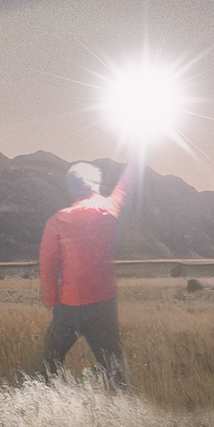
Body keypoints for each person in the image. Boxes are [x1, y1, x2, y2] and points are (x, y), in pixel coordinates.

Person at [33, 152, 134, 390]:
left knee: (50, 360)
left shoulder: (57, 222)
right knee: (113, 364)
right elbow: (125, 186)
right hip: (103, 302)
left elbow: (47, 265)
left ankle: (45, 400)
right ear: (96, 184)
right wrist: (136, 156)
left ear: (71, 188)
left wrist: (53, 300)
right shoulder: (110, 208)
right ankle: (121, 403)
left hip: (69, 304)